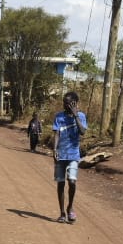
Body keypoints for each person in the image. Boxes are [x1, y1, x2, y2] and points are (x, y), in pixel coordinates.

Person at [52, 91, 87, 223]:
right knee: (61, 183)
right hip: (60, 155)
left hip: (73, 155)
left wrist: (76, 115)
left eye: (68, 103)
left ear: (75, 103)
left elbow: (83, 131)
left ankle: (70, 207)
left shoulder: (81, 116)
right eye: (64, 102)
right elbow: (56, 134)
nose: (65, 105)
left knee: (72, 182)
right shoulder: (59, 117)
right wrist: (54, 149)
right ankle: (62, 213)